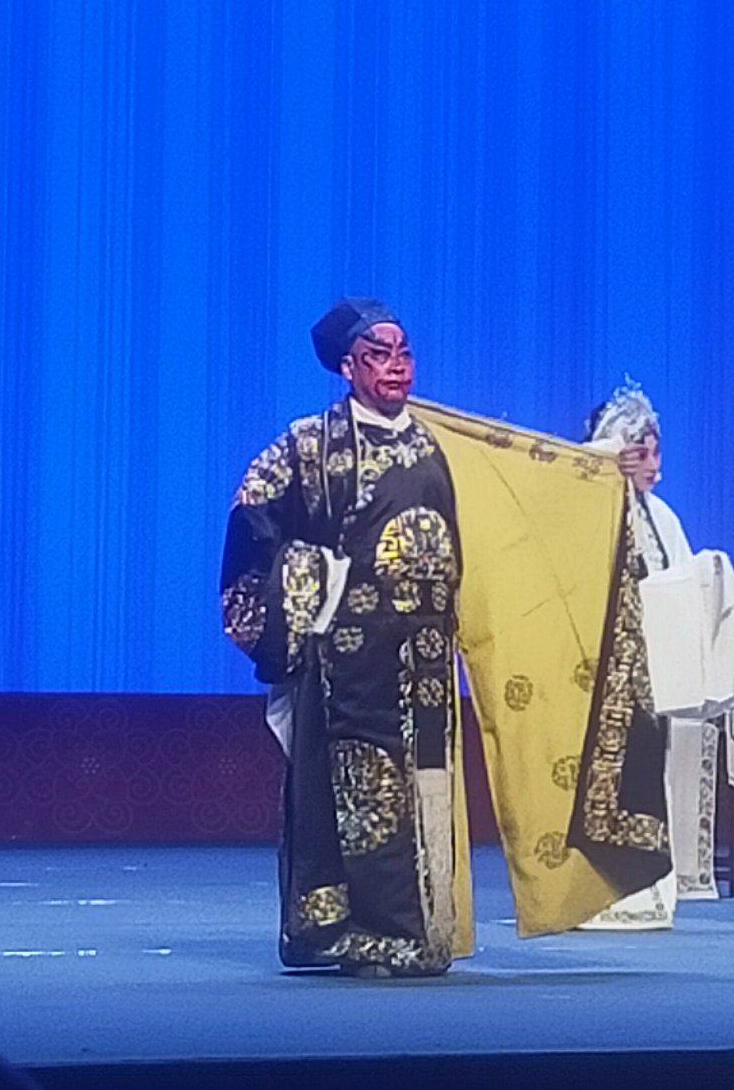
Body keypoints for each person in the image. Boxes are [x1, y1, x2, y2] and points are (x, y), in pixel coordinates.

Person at [219, 299, 468, 976]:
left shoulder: (430, 444)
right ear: (349, 367)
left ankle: (420, 927)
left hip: (422, 658)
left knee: (421, 787)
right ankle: (364, 932)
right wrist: (305, 582)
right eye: (379, 355)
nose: (397, 367)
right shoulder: (311, 444)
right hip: (349, 657)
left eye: (404, 353)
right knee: (364, 790)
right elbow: (252, 510)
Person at [580, 379, 696, 930]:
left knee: (646, 776)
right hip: (601, 673)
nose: (652, 465)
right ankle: (598, 896)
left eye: (655, 452)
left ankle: (646, 893)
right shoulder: (589, 509)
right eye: (640, 453)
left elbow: (682, 578)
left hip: (650, 674)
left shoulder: (661, 518)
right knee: (602, 783)